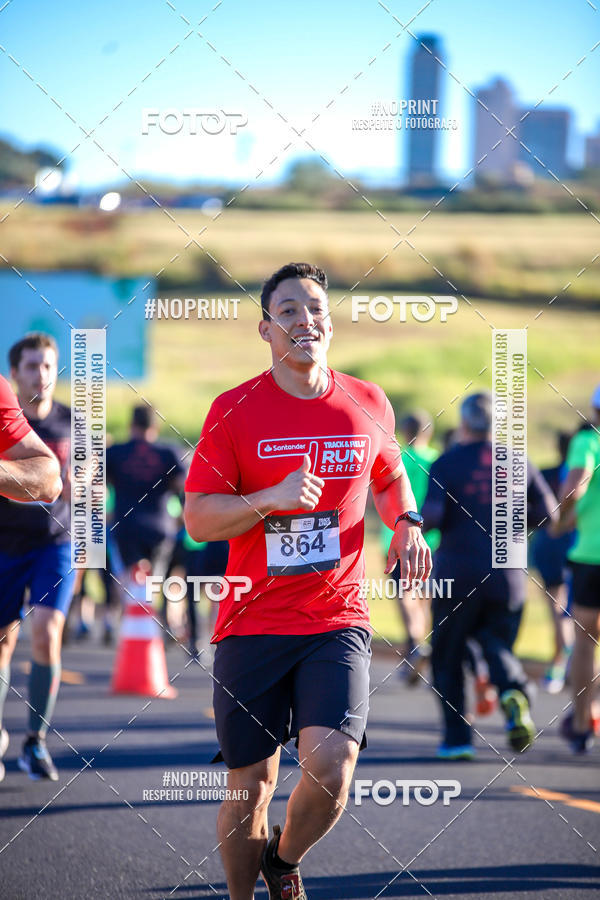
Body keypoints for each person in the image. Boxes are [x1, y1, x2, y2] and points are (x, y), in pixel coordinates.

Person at [184, 262, 431, 900]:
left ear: (330, 323)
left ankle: (285, 859)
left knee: (332, 765)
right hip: (253, 620)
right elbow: (201, 518)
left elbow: (387, 472)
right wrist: (271, 497)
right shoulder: (233, 409)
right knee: (250, 789)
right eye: (288, 310)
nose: (304, 320)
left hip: (337, 617)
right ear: (265, 330)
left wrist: (405, 520)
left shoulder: (368, 400)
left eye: (315, 308)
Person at [422, 391, 557, 760]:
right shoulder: (519, 461)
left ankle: (457, 740)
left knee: (447, 658)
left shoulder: (447, 463)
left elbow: (431, 517)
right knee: (495, 642)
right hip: (508, 577)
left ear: (464, 423)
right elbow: (549, 514)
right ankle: (513, 691)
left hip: (458, 575)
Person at [0, 334, 73, 782]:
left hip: (55, 545)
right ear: (15, 374)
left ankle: (36, 742)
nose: (40, 374)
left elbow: (86, 497)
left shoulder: (76, 425)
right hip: (6, 544)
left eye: (48, 365)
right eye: (31, 366)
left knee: (47, 631)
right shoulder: (7, 418)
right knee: (4, 643)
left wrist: (88, 558)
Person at [106, 405, 185, 631]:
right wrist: (181, 516)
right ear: (155, 427)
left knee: (127, 577)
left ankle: (129, 626)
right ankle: (152, 624)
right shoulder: (168, 452)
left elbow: (94, 481)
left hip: (126, 525)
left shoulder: (116, 452)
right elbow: (185, 486)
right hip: (160, 527)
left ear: (131, 426)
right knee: (155, 579)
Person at [554, 385, 600, 753]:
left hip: (591, 556)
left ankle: (583, 723)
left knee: (585, 644)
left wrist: (561, 521)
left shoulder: (587, 439)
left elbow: (575, 487)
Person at [380, 410, 440, 683]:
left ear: (404, 432)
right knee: (425, 596)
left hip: (394, 536)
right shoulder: (437, 460)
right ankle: (418, 646)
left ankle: (415, 643)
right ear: (429, 432)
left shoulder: (397, 456)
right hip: (430, 539)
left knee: (405, 593)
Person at [529, 431, 575, 693]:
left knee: (558, 607)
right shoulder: (588, 474)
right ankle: (565, 660)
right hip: (580, 548)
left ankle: (560, 663)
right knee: (570, 608)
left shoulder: (545, 474)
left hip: (552, 548)